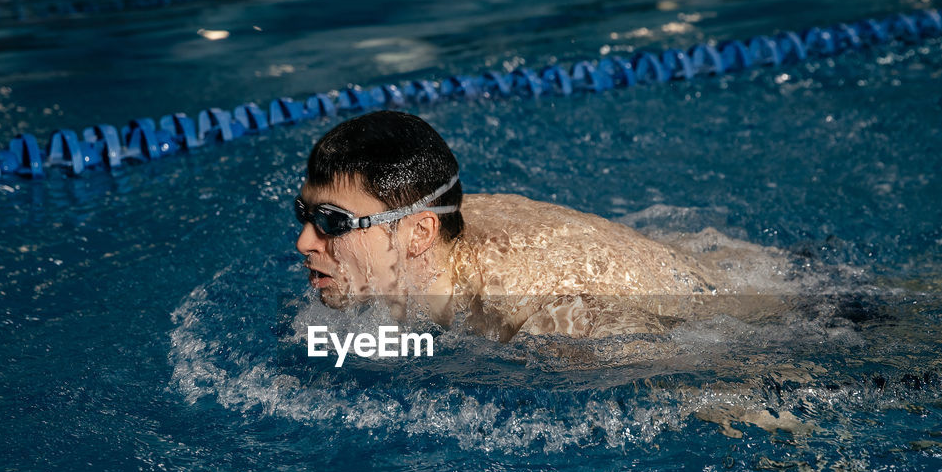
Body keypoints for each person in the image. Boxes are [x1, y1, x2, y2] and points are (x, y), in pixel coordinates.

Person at [295, 110, 794, 341]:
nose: (304, 242)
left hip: (777, 309)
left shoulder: (533, 310)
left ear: (419, 234)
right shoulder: (435, 224)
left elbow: (698, 380)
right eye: (305, 214)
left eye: (330, 222)